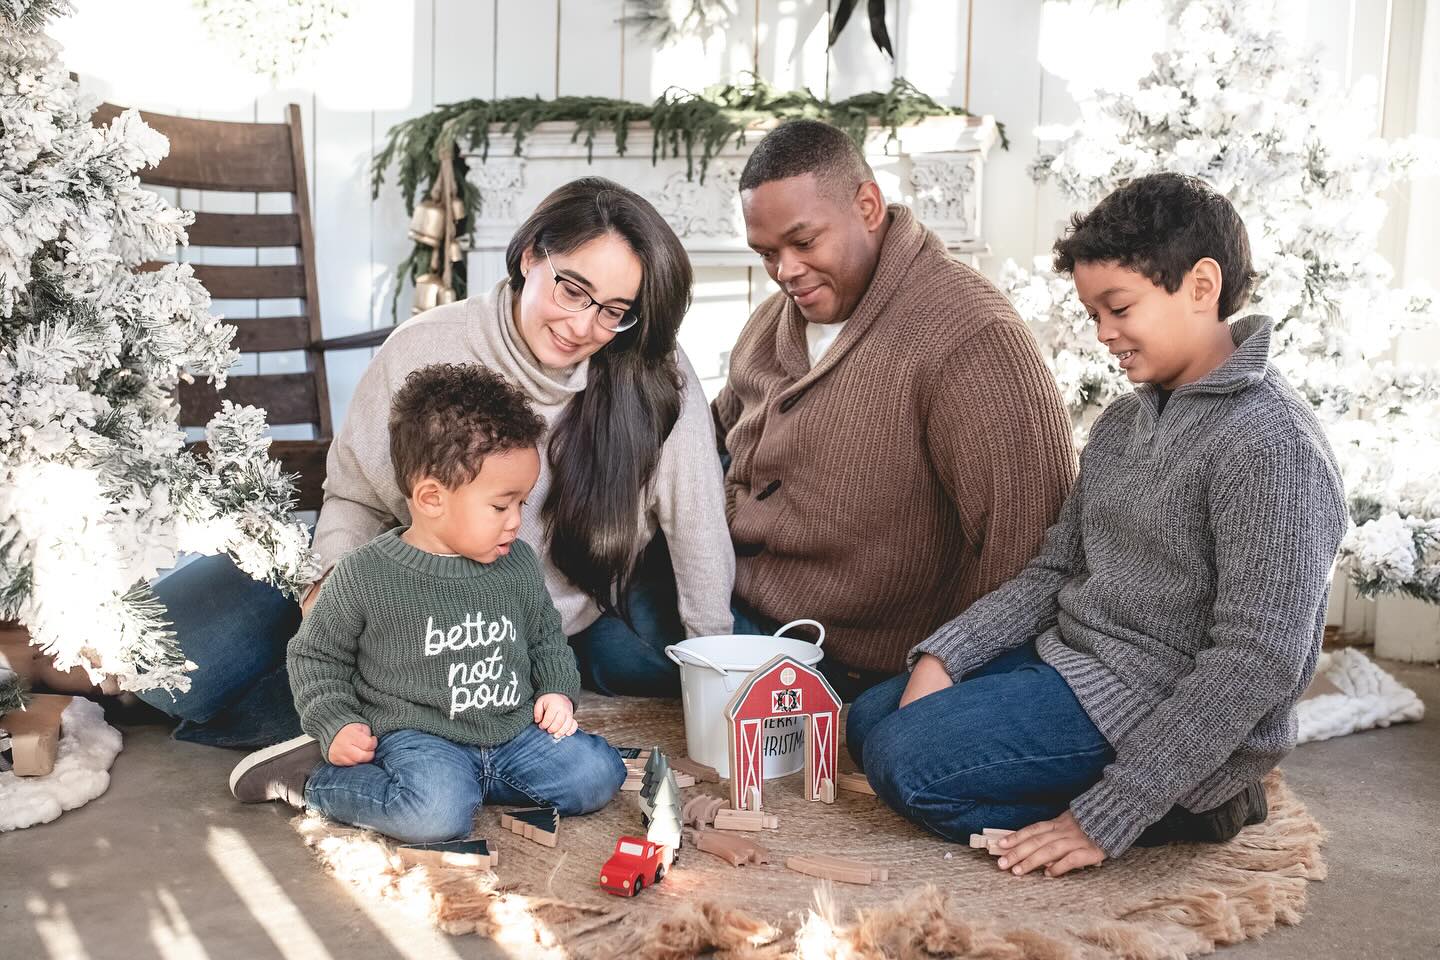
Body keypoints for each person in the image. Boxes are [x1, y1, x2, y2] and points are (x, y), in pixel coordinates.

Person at [846, 172, 1349, 877]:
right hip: (1074, 659)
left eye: (1118, 308)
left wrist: (1102, 819)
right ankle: (1125, 780)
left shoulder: (1272, 446)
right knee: (869, 720)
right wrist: (947, 654)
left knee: (907, 765)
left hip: (1157, 696)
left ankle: (1188, 801)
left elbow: (1257, 660)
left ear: (1202, 286)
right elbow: (1057, 572)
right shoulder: (1123, 423)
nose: (1104, 335)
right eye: (1092, 315)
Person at [137, 177, 734, 746]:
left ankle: (346, 718)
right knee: (165, 667)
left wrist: (721, 666)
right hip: (396, 594)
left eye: (613, 310)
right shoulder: (425, 348)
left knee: (712, 654)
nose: (583, 325)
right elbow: (356, 496)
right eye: (572, 289)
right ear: (530, 256)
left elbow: (699, 523)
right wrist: (325, 597)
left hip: (530, 626)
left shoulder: (653, 371)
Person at [713, 119, 1077, 701]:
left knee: (620, 650)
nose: (785, 272)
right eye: (767, 254)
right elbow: (717, 432)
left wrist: (950, 667)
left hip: (858, 656)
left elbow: (1029, 540)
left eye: (804, 243)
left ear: (867, 205)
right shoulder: (771, 322)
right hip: (740, 598)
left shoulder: (970, 334)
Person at [228, 363, 625, 843]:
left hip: (511, 733)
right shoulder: (366, 574)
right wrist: (335, 722)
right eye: (501, 506)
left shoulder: (517, 564)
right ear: (432, 498)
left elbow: (545, 637)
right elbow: (316, 656)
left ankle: (467, 787)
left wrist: (557, 691)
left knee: (597, 775)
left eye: (522, 503)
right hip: (416, 737)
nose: (517, 521)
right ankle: (308, 780)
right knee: (434, 818)